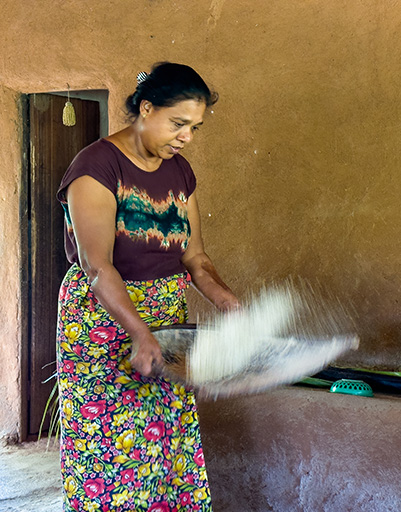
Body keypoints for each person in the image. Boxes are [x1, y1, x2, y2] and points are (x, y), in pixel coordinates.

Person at [56, 62, 239, 512]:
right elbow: (96, 265)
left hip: (165, 317)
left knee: (167, 443)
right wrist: (140, 333)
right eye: (178, 124)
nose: (186, 137)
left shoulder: (180, 173)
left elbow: (194, 257)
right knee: (112, 451)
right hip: (102, 321)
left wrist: (227, 301)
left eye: (194, 128)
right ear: (146, 107)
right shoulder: (96, 167)